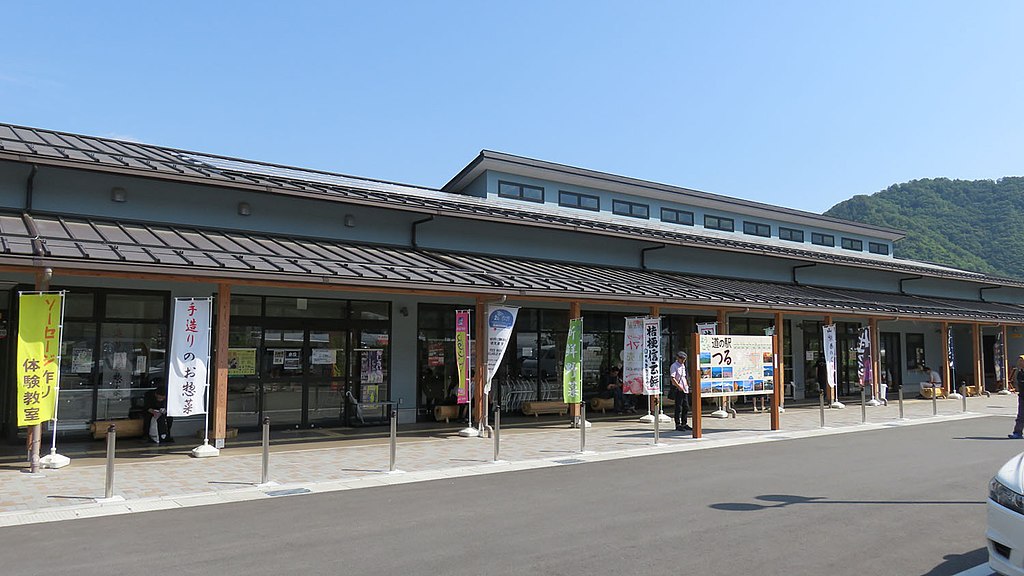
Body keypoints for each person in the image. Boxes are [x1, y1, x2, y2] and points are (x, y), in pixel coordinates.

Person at [143, 378, 174, 444]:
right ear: (156, 394)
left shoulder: (169, 396)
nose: (160, 399)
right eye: (159, 398)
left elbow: (170, 406)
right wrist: (153, 412)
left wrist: (165, 410)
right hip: (151, 411)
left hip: (162, 411)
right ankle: (147, 435)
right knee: (147, 418)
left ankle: (165, 434)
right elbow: (146, 407)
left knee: (169, 417)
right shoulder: (148, 394)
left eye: (162, 398)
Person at [670, 351, 691, 432]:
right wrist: (678, 387)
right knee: (678, 407)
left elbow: (684, 377)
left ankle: (684, 423)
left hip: (684, 388)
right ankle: (677, 424)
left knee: (686, 406)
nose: (683, 360)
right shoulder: (674, 366)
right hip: (678, 388)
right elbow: (672, 377)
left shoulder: (683, 366)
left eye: (684, 359)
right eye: (681, 359)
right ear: (677, 358)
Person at [1009, 356, 1024, 439]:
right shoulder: (1019, 373)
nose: (1020, 363)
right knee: (1021, 416)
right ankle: (1017, 433)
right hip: (1022, 397)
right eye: (1019, 361)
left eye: (1022, 361)